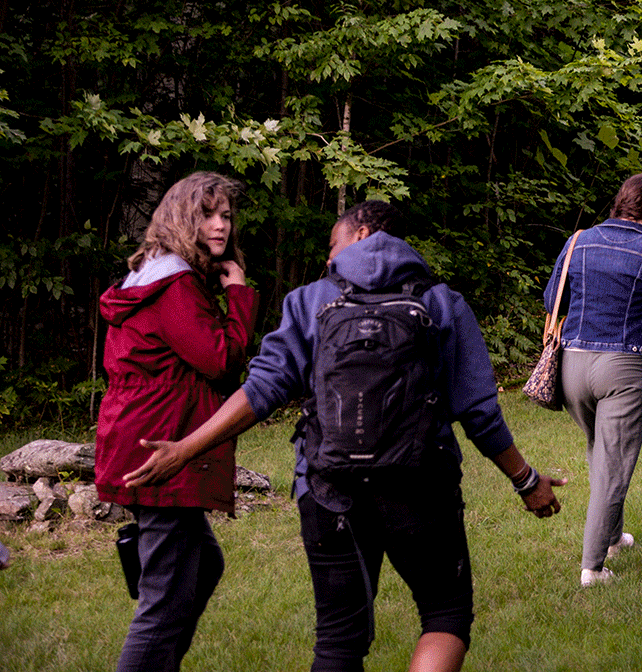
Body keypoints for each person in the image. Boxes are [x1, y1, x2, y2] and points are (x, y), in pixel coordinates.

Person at [124, 200, 563, 672]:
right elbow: (479, 413)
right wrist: (526, 482)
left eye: (332, 244)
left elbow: (263, 389)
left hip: (328, 491)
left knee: (338, 639)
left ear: (362, 233)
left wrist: (186, 448)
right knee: (445, 614)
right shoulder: (442, 302)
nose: (328, 258)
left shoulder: (310, 301)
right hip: (422, 486)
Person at [94, 171, 259, 672]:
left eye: (226, 215)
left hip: (142, 435)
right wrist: (240, 295)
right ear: (181, 217)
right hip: (160, 446)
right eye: (207, 214)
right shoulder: (175, 284)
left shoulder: (154, 275)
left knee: (204, 564)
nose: (220, 225)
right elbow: (218, 357)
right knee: (163, 602)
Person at [546, 173, 642, 587]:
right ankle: (593, 566)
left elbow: (553, 298)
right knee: (613, 464)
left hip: (571, 366)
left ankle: (613, 536)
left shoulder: (578, 242)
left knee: (602, 450)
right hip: (623, 368)